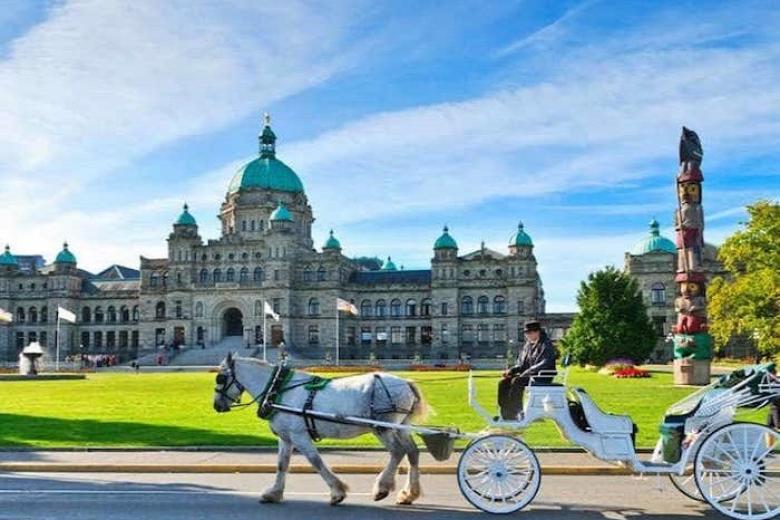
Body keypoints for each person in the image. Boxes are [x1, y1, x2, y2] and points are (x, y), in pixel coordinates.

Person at [497, 320, 557, 420]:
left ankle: (517, 411)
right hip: (529, 375)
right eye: (526, 333)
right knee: (503, 383)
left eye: (529, 333)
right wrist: (511, 371)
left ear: (537, 332)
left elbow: (545, 363)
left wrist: (527, 372)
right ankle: (506, 413)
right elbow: (521, 364)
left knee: (517, 381)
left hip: (541, 376)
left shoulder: (546, 345)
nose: (527, 335)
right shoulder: (528, 346)